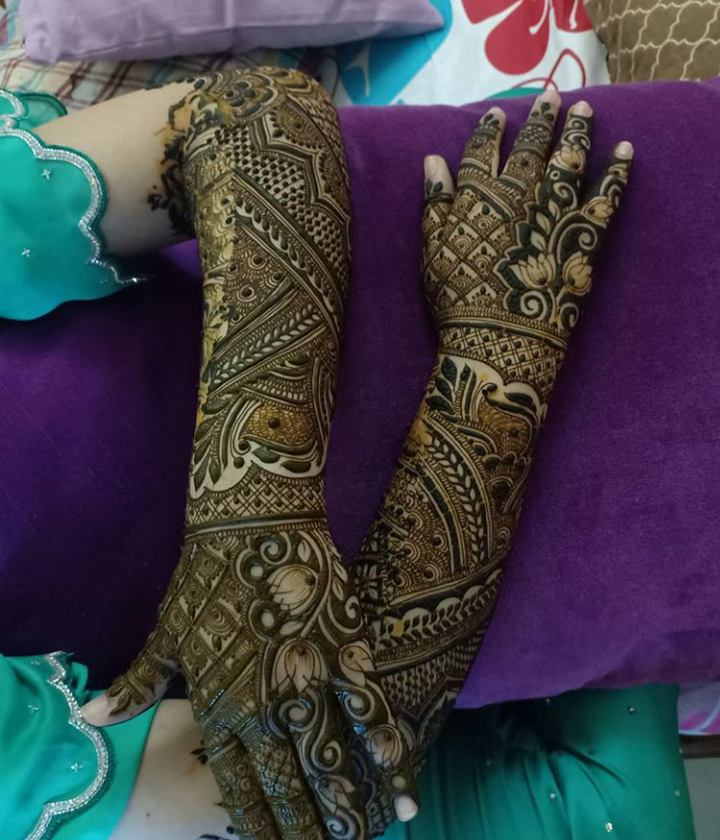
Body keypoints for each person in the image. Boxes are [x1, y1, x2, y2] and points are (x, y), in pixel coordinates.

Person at [0, 68, 638, 840]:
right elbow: (332, 790)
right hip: (559, 504)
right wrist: (500, 360)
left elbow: (257, 116)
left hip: (482, 206)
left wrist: (249, 502)